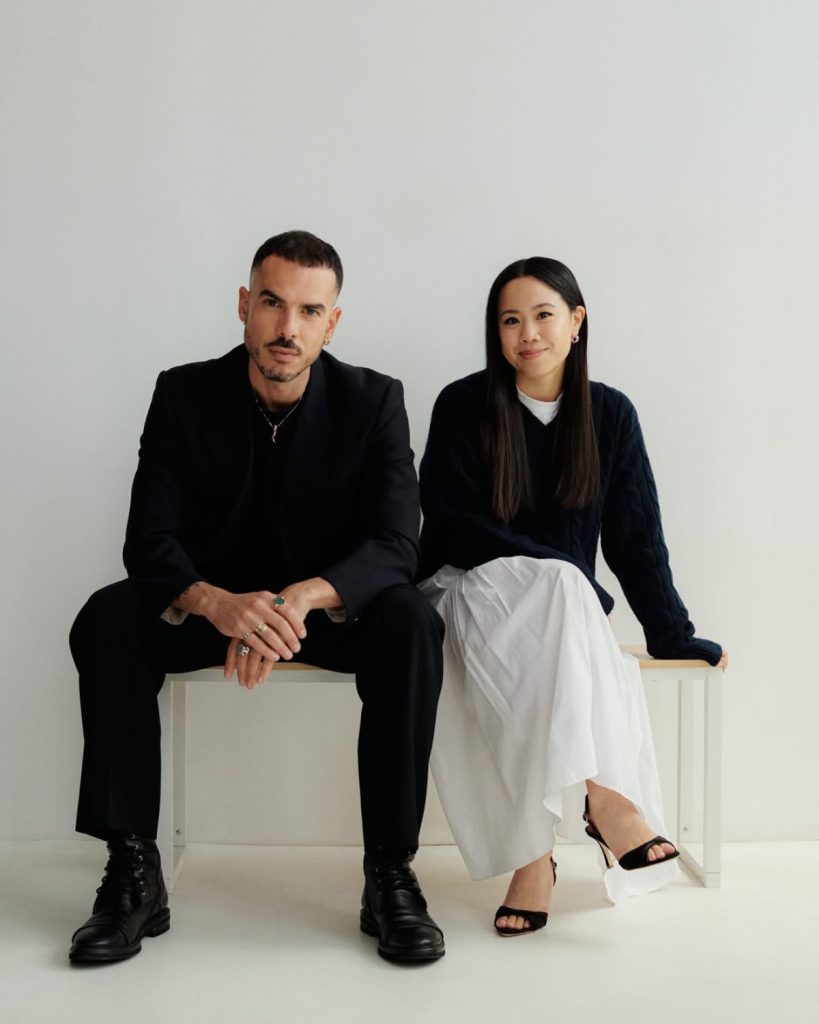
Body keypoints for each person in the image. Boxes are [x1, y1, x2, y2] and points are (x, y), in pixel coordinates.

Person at [68, 230, 445, 965]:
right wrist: (216, 603)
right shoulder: (182, 393)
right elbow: (148, 537)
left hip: (320, 616)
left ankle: (390, 872)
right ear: (244, 305)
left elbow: (397, 541)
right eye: (272, 303)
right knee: (108, 617)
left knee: (411, 621)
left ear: (332, 323)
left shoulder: (374, 400)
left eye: (309, 311)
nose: (287, 327)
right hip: (213, 610)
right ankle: (132, 871)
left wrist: (302, 597)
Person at [418, 257, 726, 935]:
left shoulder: (609, 414)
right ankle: (605, 799)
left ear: (576, 321)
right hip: (465, 591)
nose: (527, 333)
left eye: (542, 316)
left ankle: (534, 857)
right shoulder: (463, 404)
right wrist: (558, 564)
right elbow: (447, 524)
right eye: (510, 321)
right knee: (563, 584)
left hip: (559, 615)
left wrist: (671, 633)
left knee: (562, 595)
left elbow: (636, 536)